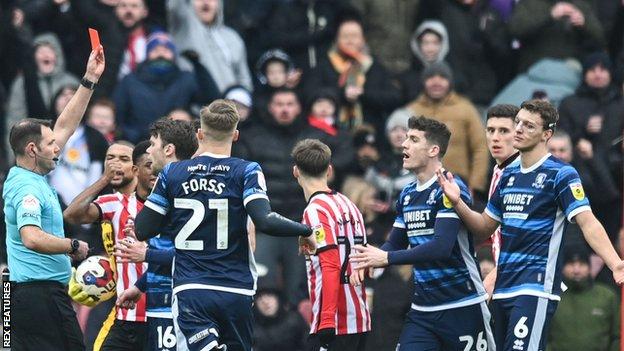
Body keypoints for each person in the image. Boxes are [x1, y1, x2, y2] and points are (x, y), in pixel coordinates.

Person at [436, 99, 624, 350]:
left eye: (529, 125)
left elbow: (588, 223)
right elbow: (483, 227)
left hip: (535, 289)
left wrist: (615, 263)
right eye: (518, 123)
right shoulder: (508, 175)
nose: (519, 130)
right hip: (503, 289)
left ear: (547, 134)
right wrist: (458, 203)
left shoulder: (561, 174)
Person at [132, 99, 315, 350]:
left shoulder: (172, 174)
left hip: (192, 288)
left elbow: (143, 229)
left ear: (199, 133)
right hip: (236, 289)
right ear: (236, 135)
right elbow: (265, 220)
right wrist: (305, 230)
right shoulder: (247, 170)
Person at [350, 116, 494, 350]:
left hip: (462, 306)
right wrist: (370, 260)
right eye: (406, 138)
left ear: (433, 150)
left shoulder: (449, 188)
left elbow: (441, 247)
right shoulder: (407, 194)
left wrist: (385, 258)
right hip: (423, 311)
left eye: (414, 139)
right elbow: (394, 245)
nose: (404, 144)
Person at [2, 45, 104, 351]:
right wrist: (72, 245)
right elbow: (31, 237)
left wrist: (89, 80)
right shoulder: (28, 189)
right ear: (33, 150)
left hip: (25, 294)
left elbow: (64, 127)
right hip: (40, 296)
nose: (58, 146)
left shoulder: (27, 174)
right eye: (50, 144)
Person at [115, 119, 198, 351]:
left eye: (153, 144)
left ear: (169, 149)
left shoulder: (178, 187)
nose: (148, 150)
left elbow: (197, 254)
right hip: (162, 299)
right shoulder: (171, 184)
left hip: (181, 303)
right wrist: (140, 286)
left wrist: (147, 254)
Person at [63, 140, 153, 351]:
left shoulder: (157, 204)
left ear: (136, 168)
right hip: (124, 313)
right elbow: (71, 214)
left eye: (123, 159)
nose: (115, 164)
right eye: (110, 158)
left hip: (158, 312)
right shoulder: (112, 202)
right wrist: (103, 180)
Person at [292, 139, 371, 350]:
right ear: (329, 170)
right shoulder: (350, 205)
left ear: (295, 172)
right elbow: (364, 259)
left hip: (335, 323)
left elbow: (331, 264)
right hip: (359, 317)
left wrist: (326, 320)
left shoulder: (315, 210)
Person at [404, 62, 489, 196]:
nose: (436, 82)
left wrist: (476, 184)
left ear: (450, 82)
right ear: (423, 82)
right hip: (419, 184)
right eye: (430, 77)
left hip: (458, 182)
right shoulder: (412, 110)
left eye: (442, 77)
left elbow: (480, 147)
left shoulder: (465, 108)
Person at [547, 248, 620, 351]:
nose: (576, 270)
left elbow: (618, 335)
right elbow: (543, 334)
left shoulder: (607, 296)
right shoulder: (552, 297)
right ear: (562, 267)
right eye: (571, 264)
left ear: (589, 267)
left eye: (582, 264)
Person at [481, 104, 520, 295]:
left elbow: (524, 239)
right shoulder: (499, 170)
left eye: (504, 130)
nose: (495, 137)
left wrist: (495, 276)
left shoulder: (522, 175)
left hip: (523, 282)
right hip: (506, 279)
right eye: (490, 130)